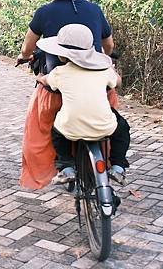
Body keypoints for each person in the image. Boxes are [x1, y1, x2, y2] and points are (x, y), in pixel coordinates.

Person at [17, 0, 118, 189]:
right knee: (112, 118)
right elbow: (109, 46)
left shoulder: (44, 12)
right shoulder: (95, 10)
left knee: (42, 126)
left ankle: (62, 166)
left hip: (56, 86)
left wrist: (25, 57)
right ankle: (112, 163)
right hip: (98, 83)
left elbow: (27, 49)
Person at [35, 24, 130, 185]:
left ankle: (66, 167)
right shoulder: (103, 70)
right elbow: (118, 82)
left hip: (70, 128)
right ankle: (118, 167)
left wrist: (39, 78)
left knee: (56, 132)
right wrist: (111, 71)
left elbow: (45, 81)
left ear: (62, 55)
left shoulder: (60, 73)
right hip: (104, 127)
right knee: (122, 128)